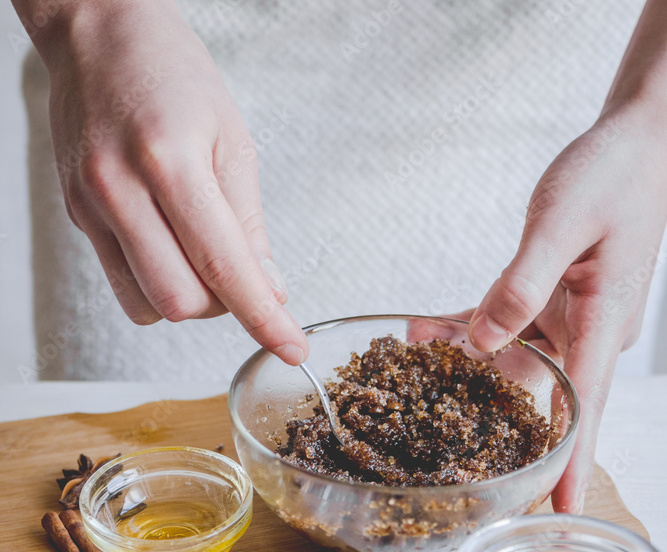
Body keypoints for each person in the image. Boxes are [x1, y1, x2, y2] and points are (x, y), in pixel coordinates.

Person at [13, 0, 666, 513]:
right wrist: (89, 16)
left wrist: (652, 122)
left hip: (568, 84)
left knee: (553, 376)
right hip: (156, 83)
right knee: (136, 394)